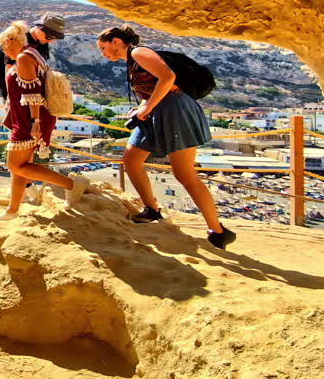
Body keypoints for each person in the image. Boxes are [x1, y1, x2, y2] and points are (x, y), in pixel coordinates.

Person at [96, 26, 236, 249]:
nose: (103, 54)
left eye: (103, 48)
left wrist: (147, 107)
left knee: (185, 175)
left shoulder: (137, 53)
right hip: (155, 113)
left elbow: (168, 77)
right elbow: (152, 88)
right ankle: (151, 209)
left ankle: (218, 231)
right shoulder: (131, 62)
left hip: (174, 110)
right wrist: (140, 108)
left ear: (115, 41)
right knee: (131, 161)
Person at [0, 21, 87, 220]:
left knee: (15, 165)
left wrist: (35, 123)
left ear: (11, 40)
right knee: (20, 167)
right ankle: (13, 209)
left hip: (30, 119)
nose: (3, 49)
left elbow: (33, 94)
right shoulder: (32, 53)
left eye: (4, 44)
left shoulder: (24, 58)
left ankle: (72, 185)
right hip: (27, 117)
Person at [0, 13, 65, 92]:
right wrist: (10, 93)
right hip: (7, 83)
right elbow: (8, 66)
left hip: (26, 83)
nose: (50, 41)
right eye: (49, 37)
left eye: (53, 39)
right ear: (39, 28)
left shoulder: (43, 42)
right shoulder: (20, 37)